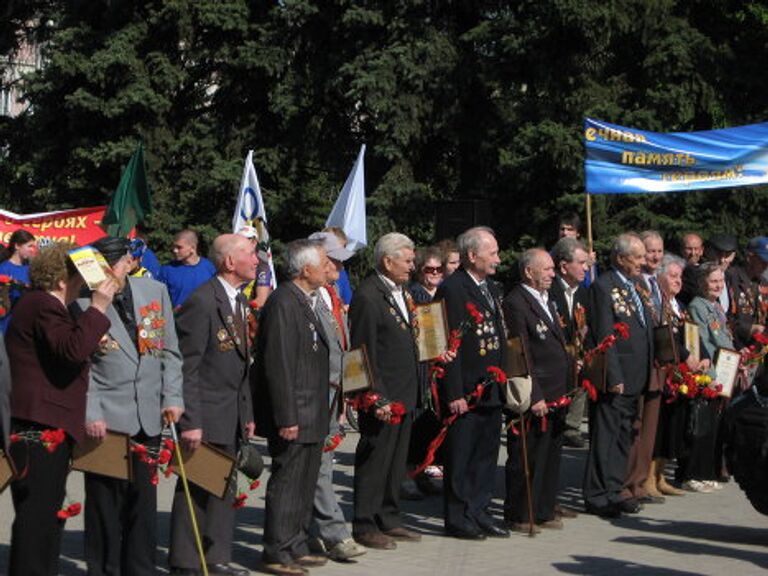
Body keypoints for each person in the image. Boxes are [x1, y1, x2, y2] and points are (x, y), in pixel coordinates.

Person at [6, 242, 119, 576]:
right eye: (78, 279)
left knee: (45, 515)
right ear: (60, 280)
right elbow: (72, 350)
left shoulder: (48, 306)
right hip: (39, 426)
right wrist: (98, 308)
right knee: (37, 517)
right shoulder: (43, 305)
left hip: (47, 423)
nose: (82, 286)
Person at [77, 236, 184, 576]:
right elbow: (80, 366)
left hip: (149, 415)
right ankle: (104, 569)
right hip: (106, 417)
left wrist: (173, 398)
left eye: (120, 265)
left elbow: (170, 351)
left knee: (143, 503)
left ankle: (140, 569)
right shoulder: (82, 305)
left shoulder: (154, 293)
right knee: (104, 505)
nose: (114, 273)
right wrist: (90, 410)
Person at [168, 234, 257, 576]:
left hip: (230, 414)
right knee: (196, 489)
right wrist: (190, 420)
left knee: (223, 488)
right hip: (205, 413)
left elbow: (241, 365)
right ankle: (185, 562)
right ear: (229, 262)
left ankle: (216, 557)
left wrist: (246, 413)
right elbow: (187, 365)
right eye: (250, 254)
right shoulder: (203, 301)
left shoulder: (239, 301)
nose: (257, 261)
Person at [255, 239, 333, 576]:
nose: (329, 268)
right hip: (295, 413)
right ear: (306, 269)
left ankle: (297, 544)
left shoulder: (308, 300)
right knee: (288, 483)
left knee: (305, 483)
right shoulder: (284, 302)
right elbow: (278, 363)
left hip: (313, 410)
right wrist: (286, 415)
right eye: (324, 262)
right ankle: (277, 551)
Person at [435, 226, 509, 539]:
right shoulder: (453, 288)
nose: (498, 258)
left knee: (486, 454)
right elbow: (449, 343)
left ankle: (479, 510)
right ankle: (458, 516)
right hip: (465, 388)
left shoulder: (489, 287)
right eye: (492, 253)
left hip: (490, 385)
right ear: (472, 255)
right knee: (462, 455)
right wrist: (453, 391)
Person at [349, 232, 421, 550]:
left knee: (395, 461)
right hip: (382, 396)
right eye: (407, 261)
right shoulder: (368, 295)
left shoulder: (400, 291)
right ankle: (365, 523)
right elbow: (360, 352)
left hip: (405, 393)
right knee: (375, 459)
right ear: (387, 261)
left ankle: (389, 517)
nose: (412, 266)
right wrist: (372, 395)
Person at [305, 232, 366, 563]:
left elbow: (343, 346)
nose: (340, 267)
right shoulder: (304, 298)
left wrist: (349, 390)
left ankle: (312, 531)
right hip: (314, 396)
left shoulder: (331, 294)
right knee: (320, 467)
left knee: (321, 466)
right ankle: (334, 531)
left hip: (334, 394)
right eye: (334, 259)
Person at [583, 233, 653, 518]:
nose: (642, 261)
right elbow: (604, 334)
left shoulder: (636, 285)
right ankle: (597, 494)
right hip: (617, 376)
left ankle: (614, 489)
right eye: (637, 256)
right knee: (606, 436)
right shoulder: (603, 286)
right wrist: (612, 374)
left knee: (624, 435)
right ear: (621, 258)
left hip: (637, 374)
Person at [503, 249, 570, 531]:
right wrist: (536, 394)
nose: (553, 274)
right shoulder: (516, 302)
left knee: (550, 453)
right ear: (529, 271)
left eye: (553, 269)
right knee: (526, 455)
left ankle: (543, 508)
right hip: (535, 391)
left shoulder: (548, 300)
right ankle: (520, 513)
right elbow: (523, 352)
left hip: (558, 390)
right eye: (547, 269)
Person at [653, 254, 708, 497]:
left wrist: (703, 356)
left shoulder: (680, 306)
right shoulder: (658, 304)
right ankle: (649, 476)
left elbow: (691, 333)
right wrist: (687, 356)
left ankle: (660, 474)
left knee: (673, 426)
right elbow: (668, 337)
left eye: (680, 277)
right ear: (659, 278)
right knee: (661, 426)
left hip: (682, 375)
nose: (678, 281)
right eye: (672, 276)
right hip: (665, 371)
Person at [681, 262, 734, 493]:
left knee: (713, 427)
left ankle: (707, 471)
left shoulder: (715, 307)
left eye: (720, 281)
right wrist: (711, 375)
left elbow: (723, 337)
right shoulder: (698, 306)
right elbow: (701, 342)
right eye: (713, 281)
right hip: (708, 373)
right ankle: (693, 474)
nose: (718, 285)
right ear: (702, 282)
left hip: (724, 371)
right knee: (700, 427)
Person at [622, 231, 666, 504]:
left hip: (656, 363)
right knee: (633, 426)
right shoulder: (633, 283)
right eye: (649, 251)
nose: (654, 257)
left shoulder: (657, 283)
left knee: (648, 428)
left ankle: (641, 482)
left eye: (659, 251)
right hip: (638, 365)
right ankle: (627, 483)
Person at [549, 237, 591, 448]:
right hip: (555, 359)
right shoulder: (549, 290)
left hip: (578, 357)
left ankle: (571, 426)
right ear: (564, 266)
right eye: (581, 263)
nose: (586, 268)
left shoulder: (584, 292)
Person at [158, 229, 216, 309]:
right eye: (174, 247)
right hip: (177, 319)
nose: (175, 250)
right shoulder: (167, 270)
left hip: (204, 318)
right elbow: (158, 298)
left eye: (179, 247)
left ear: (192, 248)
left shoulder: (210, 268)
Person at [0, 229, 37, 333]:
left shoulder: (30, 268)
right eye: (29, 246)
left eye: (33, 247)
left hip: (26, 327)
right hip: (7, 327)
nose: (32, 250)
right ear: (17, 246)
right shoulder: (3, 269)